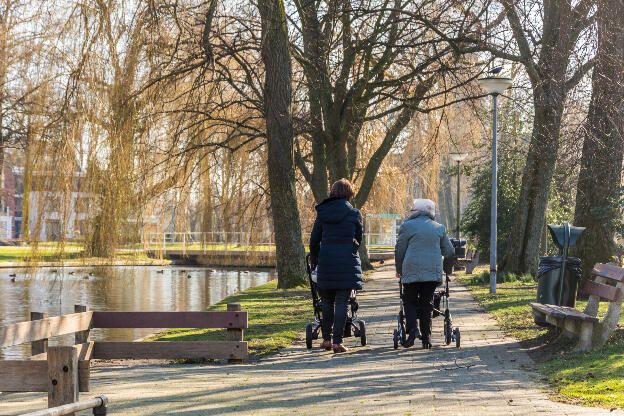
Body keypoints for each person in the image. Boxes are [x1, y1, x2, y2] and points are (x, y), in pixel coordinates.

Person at [309, 179, 363, 353]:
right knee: (342, 301)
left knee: (326, 301)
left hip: (326, 261)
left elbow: (314, 240)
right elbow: (359, 238)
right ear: (349, 195)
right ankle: (337, 342)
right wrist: (351, 249)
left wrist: (316, 257)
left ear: (332, 193)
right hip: (346, 262)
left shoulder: (322, 213)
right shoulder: (354, 213)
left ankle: (326, 339)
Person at [394, 198, 455, 349]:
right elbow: (449, 252)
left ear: (418, 211)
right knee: (427, 302)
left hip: (411, 270)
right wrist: (447, 270)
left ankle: (413, 330)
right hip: (432, 273)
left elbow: (400, 250)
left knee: (409, 301)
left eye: (413, 210)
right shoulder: (439, 228)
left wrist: (399, 270)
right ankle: (426, 338)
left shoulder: (406, 226)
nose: (411, 213)